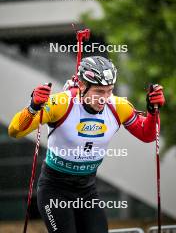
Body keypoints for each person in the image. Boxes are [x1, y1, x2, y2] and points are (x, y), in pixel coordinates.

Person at [8, 56, 165, 233]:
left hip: (87, 189)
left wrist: (153, 112)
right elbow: (15, 131)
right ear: (82, 86)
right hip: (55, 189)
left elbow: (147, 135)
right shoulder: (61, 104)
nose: (104, 98)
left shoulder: (118, 106)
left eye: (109, 90)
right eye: (98, 91)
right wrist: (33, 108)